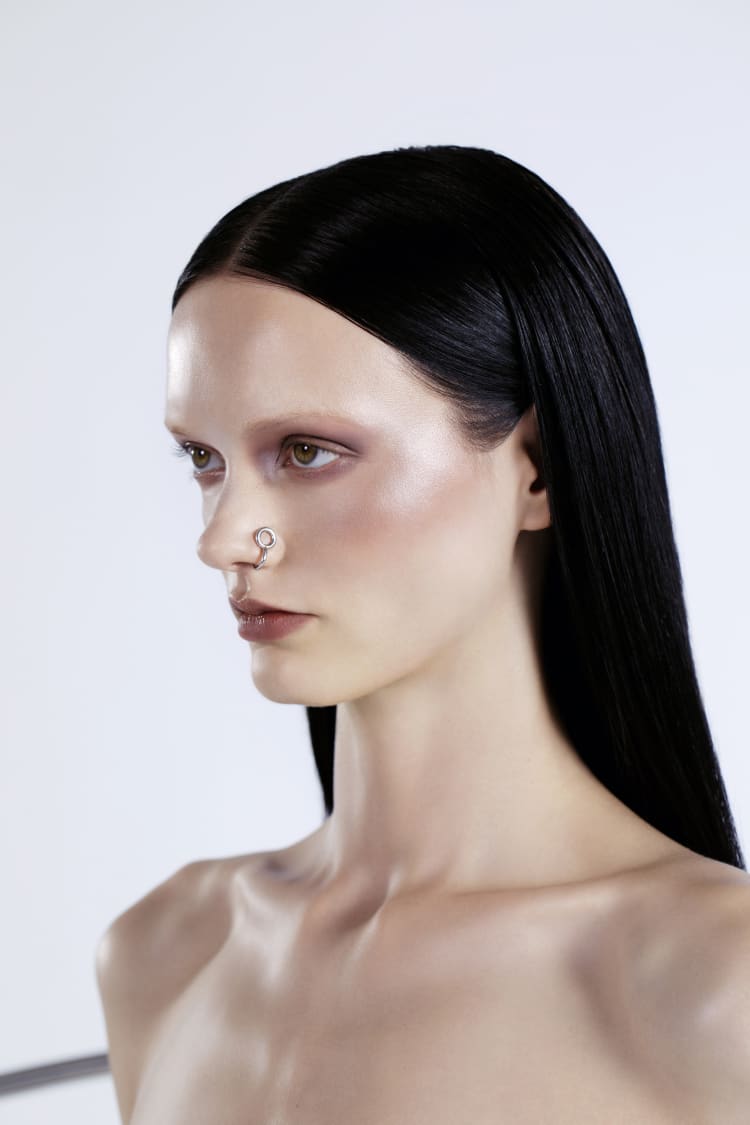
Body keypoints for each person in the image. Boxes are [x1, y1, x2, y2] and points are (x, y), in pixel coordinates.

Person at [95, 145, 750, 1124]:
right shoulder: (166, 953)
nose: (223, 538)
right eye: (203, 456)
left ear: (537, 468)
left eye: (307, 451)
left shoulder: (715, 992)